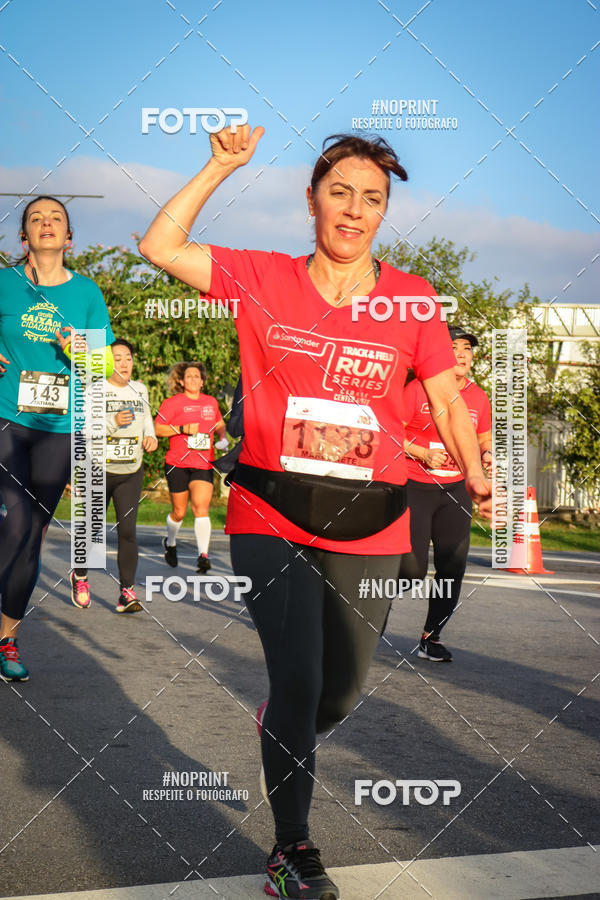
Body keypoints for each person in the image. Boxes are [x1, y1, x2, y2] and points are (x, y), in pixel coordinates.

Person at [139, 124, 492, 900]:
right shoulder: (261, 277)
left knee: (339, 692)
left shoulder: (412, 298)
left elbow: (445, 397)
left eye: (372, 198)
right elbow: (161, 247)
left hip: (372, 517)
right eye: (340, 193)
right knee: (299, 682)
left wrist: (475, 471)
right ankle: (291, 847)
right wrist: (218, 166)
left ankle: (285, 724)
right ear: (312, 201)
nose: (354, 209)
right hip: (270, 509)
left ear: (384, 212)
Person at [0, 195, 114, 681]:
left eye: (56, 218)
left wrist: (82, 351)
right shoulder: (4, 283)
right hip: (6, 418)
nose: (46, 223)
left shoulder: (86, 293)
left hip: (59, 428)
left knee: (31, 538)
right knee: (15, 522)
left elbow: (103, 367)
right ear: (23, 235)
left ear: (69, 237)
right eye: (36, 218)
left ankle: (6, 639)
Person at [401, 326, 492, 662]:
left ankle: (431, 637)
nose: (463, 353)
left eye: (468, 348)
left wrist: (486, 454)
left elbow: (483, 438)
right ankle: (369, 613)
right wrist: (421, 453)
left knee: (452, 566)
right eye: (454, 347)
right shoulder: (417, 389)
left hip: (454, 489)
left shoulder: (478, 397)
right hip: (415, 486)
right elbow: (389, 431)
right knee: (411, 570)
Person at [70, 338, 158, 612]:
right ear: (107, 362)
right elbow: (84, 430)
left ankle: (126, 592)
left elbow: (147, 422)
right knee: (92, 528)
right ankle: (80, 577)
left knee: (128, 531)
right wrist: (112, 421)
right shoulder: (95, 390)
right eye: (117, 358)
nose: (124, 363)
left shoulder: (140, 389)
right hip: (98, 468)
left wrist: (151, 437)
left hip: (130, 470)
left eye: (128, 358)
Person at [154, 362, 227, 573]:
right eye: (189, 376)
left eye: (197, 376)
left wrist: (222, 438)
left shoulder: (211, 402)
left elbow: (219, 423)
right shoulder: (172, 403)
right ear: (181, 381)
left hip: (203, 463)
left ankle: (203, 555)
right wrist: (182, 429)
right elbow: (158, 429)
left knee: (200, 507)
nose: (194, 379)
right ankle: (170, 543)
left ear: (203, 382)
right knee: (179, 512)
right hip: (177, 463)